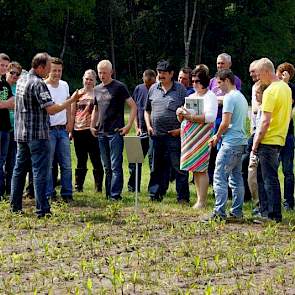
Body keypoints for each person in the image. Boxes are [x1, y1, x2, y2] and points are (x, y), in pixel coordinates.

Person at [11, 52, 83, 217]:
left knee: (19, 170)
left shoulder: (21, 79)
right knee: (40, 172)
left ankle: (15, 207)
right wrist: (71, 101)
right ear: (41, 67)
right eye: (49, 68)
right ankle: (42, 209)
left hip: (21, 134)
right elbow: (51, 109)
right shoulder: (38, 84)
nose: (50, 72)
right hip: (37, 135)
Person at [252, 58, 292, 222]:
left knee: (269, 179)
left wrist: (255, 143)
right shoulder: (286, 88)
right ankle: (266, 211)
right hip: (280, 138)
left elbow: (265, 121)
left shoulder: (269, 91)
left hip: (267, 139)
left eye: (259, 75)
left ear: (266, 72)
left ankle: (272, 214)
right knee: (268, 177)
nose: (259, 79)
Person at [144, 60, 190, 203]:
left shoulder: (181, 89)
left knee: (179, 168)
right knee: (156, 167)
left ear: (171, 74)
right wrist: (148, 125)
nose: (161, 75)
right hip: (156, 135)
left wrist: (180, 129)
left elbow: (188, 112)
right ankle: (155, 195)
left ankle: (182, 198)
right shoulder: (153, 89)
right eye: (159, 72)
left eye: (164, 73)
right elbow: (147, 110)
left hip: (174, 135)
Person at [205, 69, 248, 221]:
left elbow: (225, 122)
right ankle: (237, 212)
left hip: (230, 143)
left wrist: (216, 136)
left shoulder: (229, 98)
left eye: (219, 83)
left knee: (219, 176)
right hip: (241, 142)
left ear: (227, 81)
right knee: (236, 178)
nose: (218, 87)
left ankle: (219, 213)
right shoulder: (241, 97)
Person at [91, 60, 137, 201]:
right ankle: (108, 193)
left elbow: (133, 106)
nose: (102, 75)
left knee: (116, 165)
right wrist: (92, 125)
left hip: (115, 132)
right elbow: (96, 108)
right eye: (100, 72)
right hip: (101, 133)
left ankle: (115, 195)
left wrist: (129, 125)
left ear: (111, 72)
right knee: (107, 166)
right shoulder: (97, 89)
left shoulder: (119, 87)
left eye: (105, 72)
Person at [177, 67, 217, 208]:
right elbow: (184, 116)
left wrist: (191, 117)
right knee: (194, 168)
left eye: (197, 81)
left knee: (201, 168)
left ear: (204, 81)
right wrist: (180, 113)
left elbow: (211, 117)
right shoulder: (192, 96)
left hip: (202, 136)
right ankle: (199, 199)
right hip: (190, 137)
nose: (194, 84)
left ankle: (202, 201)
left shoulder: (210, 96)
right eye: (192, 81)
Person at [208, 53, 242, 184]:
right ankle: (212, 180)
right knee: (212, 151)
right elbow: (210, 99)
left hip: (226, 121)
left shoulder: (235, 80)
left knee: (224, 151)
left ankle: (224, 181)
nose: (219, 66)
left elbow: (233, 98)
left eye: (222, 63)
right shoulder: (212, 81)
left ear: (229, 64)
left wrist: (217, 100)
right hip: (213, 120)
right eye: (218, 63)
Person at [70, 69, 104, 193]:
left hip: (92, 131)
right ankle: (78, 186)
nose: (88, 81)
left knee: (95, 159)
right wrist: (70, 130)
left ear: (95, 81)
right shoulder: (77, 94)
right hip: (78, 130)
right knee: (81, 159)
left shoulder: (98, 93)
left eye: (91, 79)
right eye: (86, 79)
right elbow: (72, 112)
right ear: (83, 79)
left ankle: (98, 187)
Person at [45, 57, 73, 202]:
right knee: (48, 164)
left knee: (66, 164)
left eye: (59, 71)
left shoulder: (64, 85)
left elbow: (68, 104)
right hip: (48, 130)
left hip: (63, 129)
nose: (57, 73)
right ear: (48, 70)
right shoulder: (43, 86)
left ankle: (67, 193)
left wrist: (70, 122)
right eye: (54, 70)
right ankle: (49, 194)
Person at [128, 69, 156, 192]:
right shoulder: (139, 89)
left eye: (151, 84)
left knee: (153, 161)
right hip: (141, 130)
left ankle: (153, 189)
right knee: (134, 160)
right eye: (146, 84)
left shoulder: (158, 90)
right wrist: (136, 127)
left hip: (155, 132)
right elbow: (133, 109)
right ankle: (133, 187)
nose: (149, 86)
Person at [275, 62, 295, 211]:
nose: (282, 75)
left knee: (288, 171)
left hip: (287, 134)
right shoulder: (272, 88)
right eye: (280, 72)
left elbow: (287, 104)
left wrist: (286, 83)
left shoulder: (292, 89)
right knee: (272, 170)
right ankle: (274, 200)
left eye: (285, 73)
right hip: (274, 134)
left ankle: (288, 201)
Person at [248, 81, 268, 203]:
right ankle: (257, 201)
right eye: (254, 93)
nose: (256, 96)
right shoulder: (260, 108)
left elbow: (262, 127)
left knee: (258, 175)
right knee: (253, 174)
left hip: (260, 144)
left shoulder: (265, 109)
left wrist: (254, 146)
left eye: (258, 93)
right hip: (255, 140)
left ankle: (260, 203)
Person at [4, 62, 22, 195]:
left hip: (15, 130)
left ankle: (10, 190)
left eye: (17, 74)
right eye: (12, 73)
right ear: (6, 72)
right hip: (2, 128)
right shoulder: (2, 87)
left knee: (12, 162)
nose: (14, 75)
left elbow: (18, 106)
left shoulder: (19, 89)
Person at [0, 53, 14, 200]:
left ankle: (3, 192)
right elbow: (9, 103)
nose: (4, 68)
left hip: (6, 128)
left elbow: (14, 102)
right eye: (1, 65)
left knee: (3, 161)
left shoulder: (5, 84)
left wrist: (4, 104)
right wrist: (6, 104)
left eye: (6, 66)